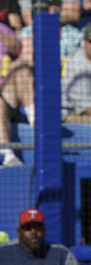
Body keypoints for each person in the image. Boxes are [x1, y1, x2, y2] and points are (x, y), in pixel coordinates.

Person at [0, 29, 34, 167]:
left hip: (6, 92)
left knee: (20, 67)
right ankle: (7, 156)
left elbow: (18, 48)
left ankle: (36, 121)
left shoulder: (2, 28)